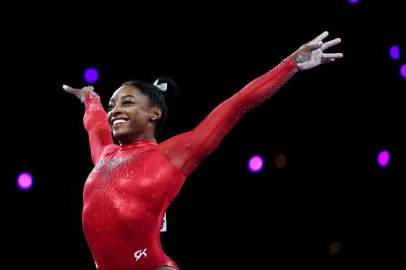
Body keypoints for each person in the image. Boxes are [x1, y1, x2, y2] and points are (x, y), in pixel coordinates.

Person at [63, 31, 342, 270]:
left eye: (126, 103)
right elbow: (95, 125)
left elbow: (237, 105)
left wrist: (289, 65)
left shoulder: (173, 155)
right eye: (113, 106)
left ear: (154, 113)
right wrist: (90, 97)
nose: (116, 112)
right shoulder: (105, 155)